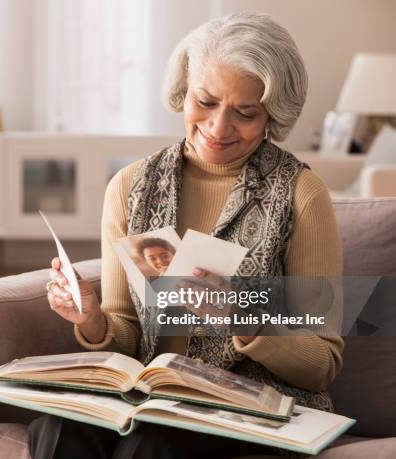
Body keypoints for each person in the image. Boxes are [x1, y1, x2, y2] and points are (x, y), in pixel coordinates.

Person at [35, 12, 343, 459]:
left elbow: (323, 364)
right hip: (150, 397)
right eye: (206, 101)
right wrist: (90, 319)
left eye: (245, 113)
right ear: (183, 91)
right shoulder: (130, 186)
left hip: (252, 411)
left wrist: (245, 319)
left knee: (150, 446)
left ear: (272, 115)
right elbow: (124, 334)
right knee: (58, 428)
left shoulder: (301, 194)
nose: (218, 127)